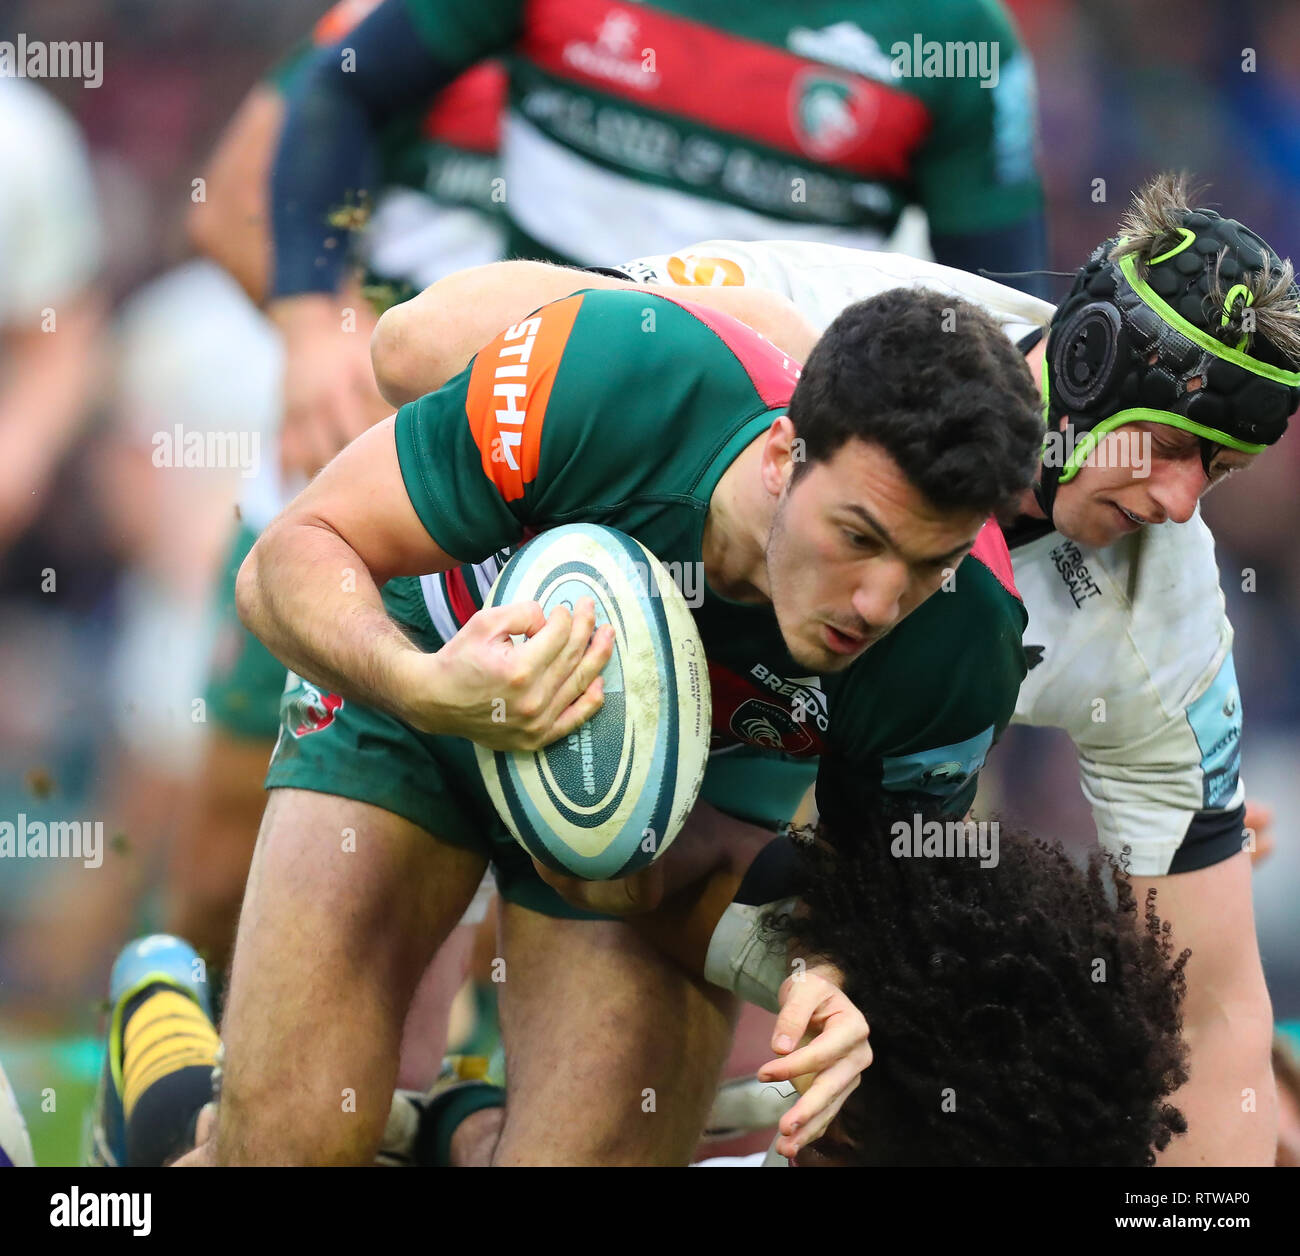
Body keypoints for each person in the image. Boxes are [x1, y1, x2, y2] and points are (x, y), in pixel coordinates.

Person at [373, 172, 1297, 1164]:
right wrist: (690, 329)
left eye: (1219, 470)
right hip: (494, 648)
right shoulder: (835, 335)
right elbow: (409, 348)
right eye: (1166, 447)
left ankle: (465, 1131)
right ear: (1083, 360)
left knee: (1011, 1037)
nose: (1180, 501)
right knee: (304, 1125)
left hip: (742, 791)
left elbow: (1213, 1020)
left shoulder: (1167, 623)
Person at [155, 277, 1041, 1166]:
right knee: (288, 1148)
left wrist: (838, 978)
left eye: (932, 561)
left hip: (688, 802)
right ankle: (163, 1105)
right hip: (429, 671)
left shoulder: (965, 637)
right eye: (858, 536)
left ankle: (452, 1132)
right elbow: (284, 562)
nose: (883, 601)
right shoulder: (616, 374)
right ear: (783, 454)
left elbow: (867, 891)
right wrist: (422, 685)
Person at [266, 0, 1048, 480]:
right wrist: (309, 321)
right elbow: (342, 89)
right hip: (522, 416)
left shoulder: (958, 35)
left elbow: (1004, 301)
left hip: (778, 461)